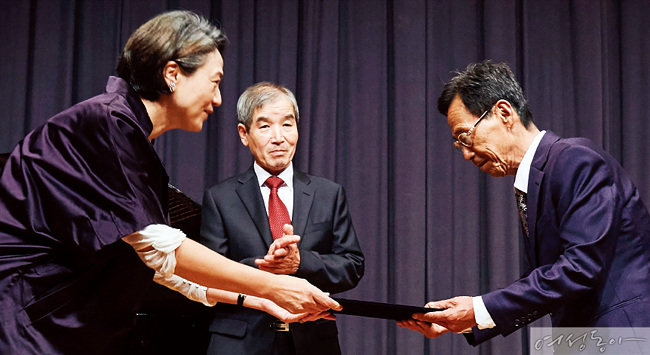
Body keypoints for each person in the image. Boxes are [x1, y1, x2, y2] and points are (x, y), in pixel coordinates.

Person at [0, 11, 339, 354]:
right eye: (214, 81)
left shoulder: (124, 130)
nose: (218, 100)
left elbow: (158, 266)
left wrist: (258, 300)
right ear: (173, 74)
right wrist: (271, 287)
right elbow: (160, 247)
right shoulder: (104, 123)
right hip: (28, 327)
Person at [398, 60, 650, 345]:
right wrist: (469, 320)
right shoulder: (535, 179)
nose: (466, 154)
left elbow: (580, 267)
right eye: (459, 145)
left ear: (504, 113)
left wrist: (479, 308)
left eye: (465, 137)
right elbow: (546, 277)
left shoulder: (574, 159)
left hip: (624, 334)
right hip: (582, 339)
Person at [199, 82, 365, 355]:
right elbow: (208, 273)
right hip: (240, 343)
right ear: (244, 134)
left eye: (287, 125)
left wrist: (300, 262)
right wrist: (263, 267)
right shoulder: (220, 198)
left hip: (312, 342)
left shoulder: (329, 193)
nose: (279, 137)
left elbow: (352, 266)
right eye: (265, 126)